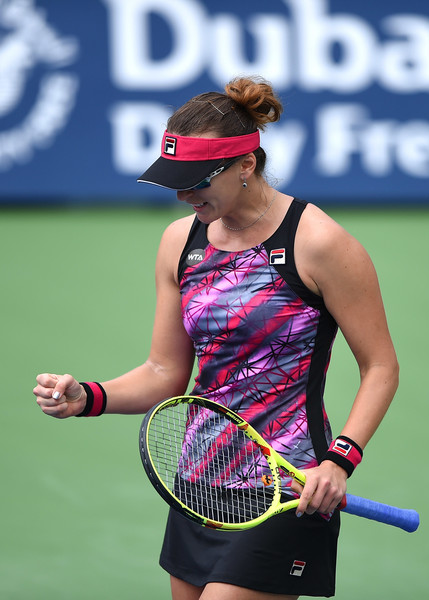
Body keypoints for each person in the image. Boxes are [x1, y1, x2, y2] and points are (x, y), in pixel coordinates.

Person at [34, 76, 399, 600]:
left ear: (246, 165)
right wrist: (88, 397)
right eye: (174, 180)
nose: (183, 195)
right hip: (198, 483)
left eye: (198, 180)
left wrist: (339, 460)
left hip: (288, 484)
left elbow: (381, 365)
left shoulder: (319, 243)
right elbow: (164, 373)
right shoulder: (180, 242)